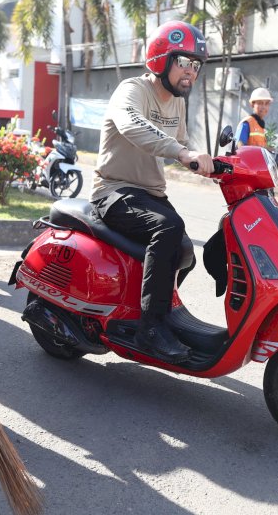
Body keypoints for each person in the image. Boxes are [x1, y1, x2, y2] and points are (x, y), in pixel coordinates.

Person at [90, 20, 214, 363]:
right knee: (168, 228)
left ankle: (157, 312)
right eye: (184, 62)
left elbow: (183, 145)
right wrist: (182, 152)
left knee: (186, 251)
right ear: (162, 59)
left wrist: (214, 166)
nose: (191, 72)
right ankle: (150, 327)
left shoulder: (178, 103)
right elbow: (133, 124)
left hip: (149, 195)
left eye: (197, 65)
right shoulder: (132, 90)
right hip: (113, 191)